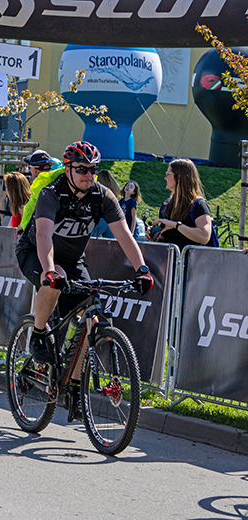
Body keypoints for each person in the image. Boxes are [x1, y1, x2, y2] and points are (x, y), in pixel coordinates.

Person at [15, 141, 152, 420]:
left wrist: (142, 269)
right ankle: (39, 335)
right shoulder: (52, 194)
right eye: (81, 169)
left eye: (92, 169)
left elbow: (124, 235)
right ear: (67, 169)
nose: (88, 175)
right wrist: (49, 269)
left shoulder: (103, 197)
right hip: (35, 253)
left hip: (73, 261)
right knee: (51, 284)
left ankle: (75, 386)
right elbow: (43, 235)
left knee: (91, 316)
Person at [147, 158, 214, 249]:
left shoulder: (199, 205)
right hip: (169, 260)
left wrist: (175, 225)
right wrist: (155, 237)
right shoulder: (166, 205)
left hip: (191, 262)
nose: (165, 178)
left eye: (168, 174)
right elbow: (170, 239)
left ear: (179, 177)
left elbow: (204, 237)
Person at [91, 169, 121, 238]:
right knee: (110, 245)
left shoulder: (97, 190)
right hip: (112, 221)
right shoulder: (114, 191)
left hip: (98, 220)